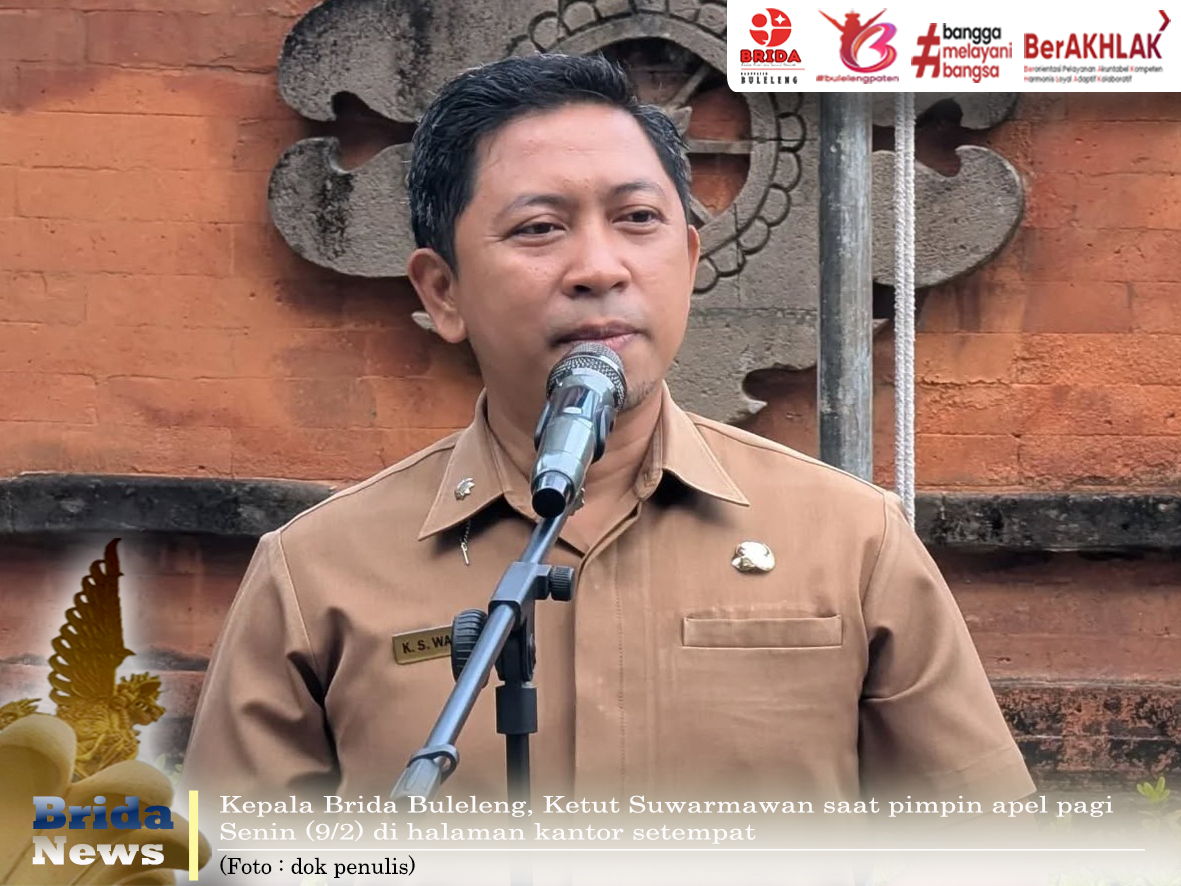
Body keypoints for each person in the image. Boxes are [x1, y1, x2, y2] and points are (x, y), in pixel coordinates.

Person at [182, 54, 1033, 818]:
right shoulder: (316, 575)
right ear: (443, 292)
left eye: (636, 218)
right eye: (538, 228)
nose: (598, 267)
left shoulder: (850, 540)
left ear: (688, 262)